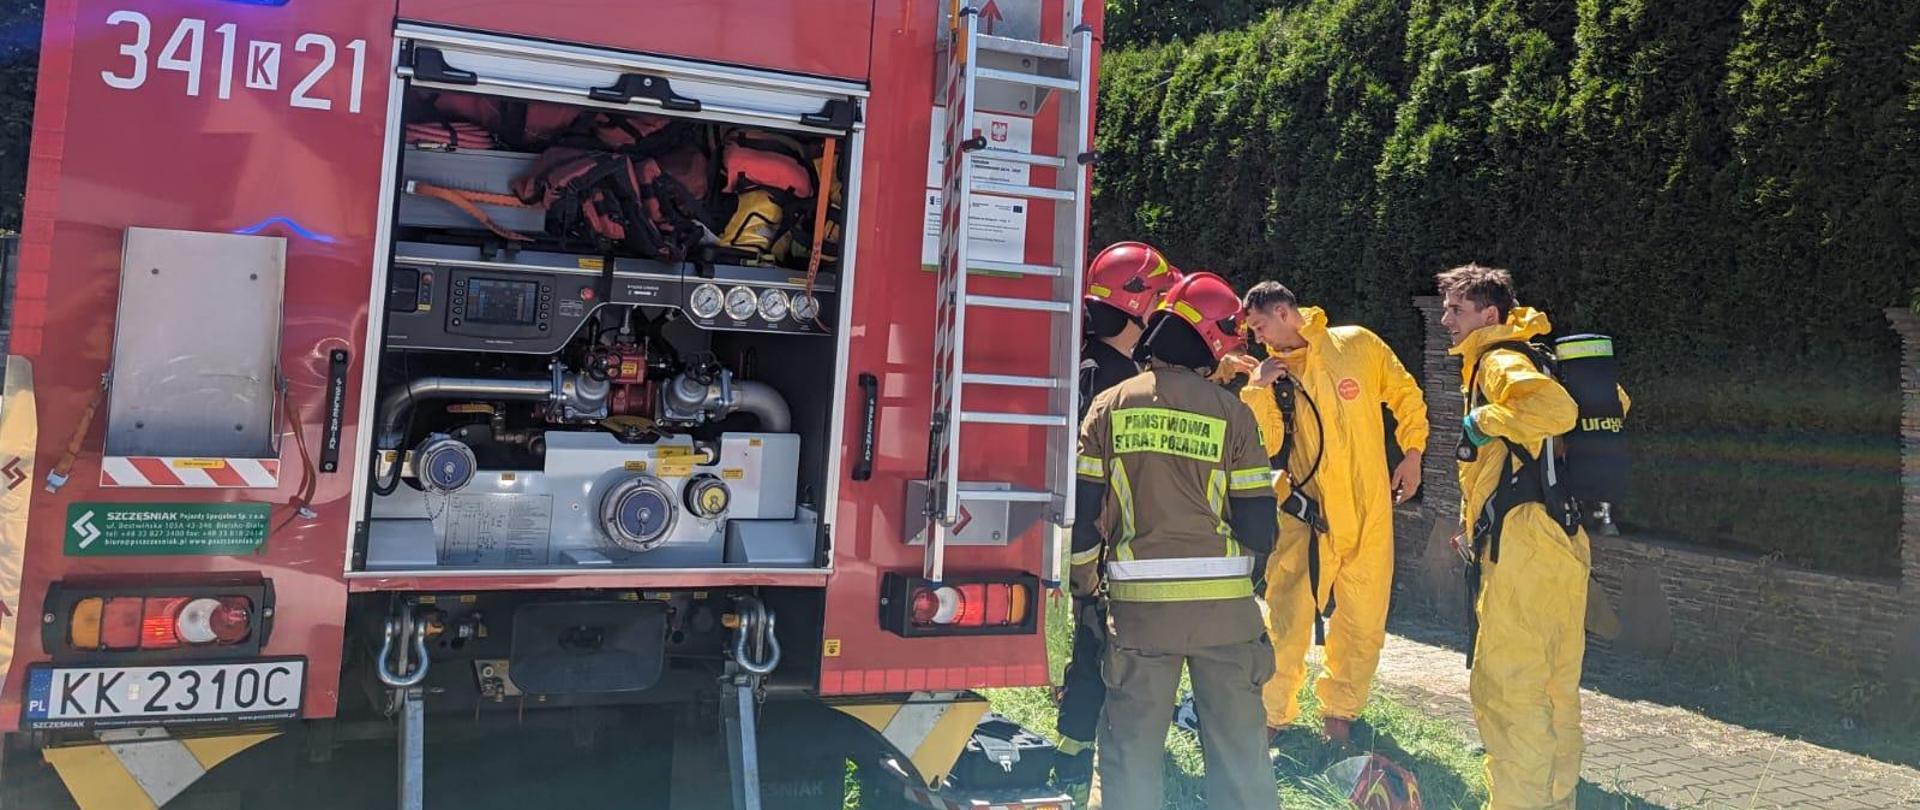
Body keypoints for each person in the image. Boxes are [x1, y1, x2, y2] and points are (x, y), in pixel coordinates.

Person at [1072, 272, 1279, 810]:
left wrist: (1085, 588)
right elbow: (1260, 528)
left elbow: (1083, 514)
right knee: (1240, 758)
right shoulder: (1234, 414)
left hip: (1141, 619)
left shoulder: (1109, 407)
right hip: (1226, 617)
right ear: (1212, 340)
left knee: (1132, 754)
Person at [1438, 263, 1608, 809]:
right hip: (1560, 541)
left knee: (1509, 691)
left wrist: (1485, 420)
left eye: (1456, 309)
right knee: (1556, 689)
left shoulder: (1499, 360)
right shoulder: (1541, 357)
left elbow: (1556, 410)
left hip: (1525, 547)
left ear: (1490, 315)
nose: (1445, 319)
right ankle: (1556, 802)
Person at [1233, 281, 1428, 747]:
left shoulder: (1357, 344)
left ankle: (1340, 715)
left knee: (1363, 621)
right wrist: (1258, 390)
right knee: (1287, 619)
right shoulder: (1274, 375)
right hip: (1309, 515)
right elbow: (1268, 444)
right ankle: (1270, 718)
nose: (1259, 339)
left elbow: (1404, 394)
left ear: (1284, 311)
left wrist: (1413, 452)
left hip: (1370, 512)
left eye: (1261, 326)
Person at [1054, 241, 1184, 784]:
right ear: (1140, 305)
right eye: (1160, 299)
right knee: (1097, 647)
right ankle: (1076, 758)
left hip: (1089, 532)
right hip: (1106, 537)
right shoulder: (1118, 383)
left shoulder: (1091, 362)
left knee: (1094, 646)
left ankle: (1076, 747)